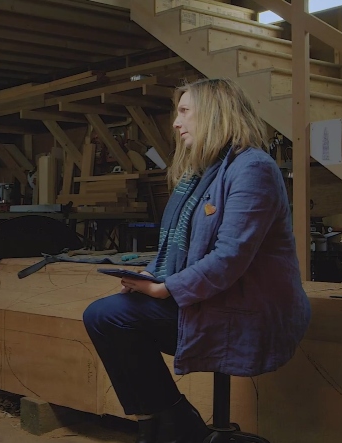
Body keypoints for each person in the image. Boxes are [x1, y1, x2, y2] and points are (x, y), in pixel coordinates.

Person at [82, 78, 311, 443]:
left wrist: (165, 287)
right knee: (106, 314)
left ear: (216, 115)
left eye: (185, 111)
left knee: (111, 316)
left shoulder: (253, 169)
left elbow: (229, 257)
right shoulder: (202, 173)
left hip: (245, 310)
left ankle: (175, 427)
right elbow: (181, 245)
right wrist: (151, 274)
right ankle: (165, 426)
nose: (176, 122)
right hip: (211, 297)